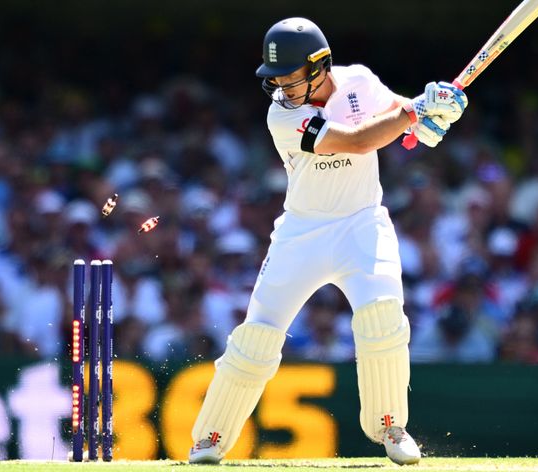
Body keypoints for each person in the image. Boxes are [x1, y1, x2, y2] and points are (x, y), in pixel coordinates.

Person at [188, 17, 467, 465]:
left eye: (290, 76)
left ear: (319, 65)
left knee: (383, 320)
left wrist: (433, 115)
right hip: (302, 233)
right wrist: (414, 113)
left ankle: (391, 426)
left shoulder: (359, 80)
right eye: (275, 77)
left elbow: (402, 119)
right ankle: (210, 438)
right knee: (256, 339)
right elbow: (356, 141)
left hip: (362, 225)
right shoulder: (283, 114)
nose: (281, 85)